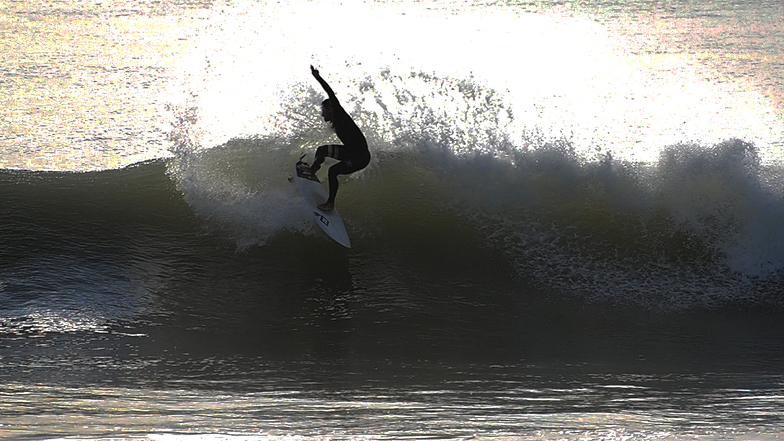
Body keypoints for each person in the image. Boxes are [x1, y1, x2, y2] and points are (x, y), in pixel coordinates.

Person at [308, 65, 371, 211]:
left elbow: (331, 94)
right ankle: (313, 169)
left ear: (330, 109)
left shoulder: (339, 115)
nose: (322, 115)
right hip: (350, 152)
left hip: (360, 158)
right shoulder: (336, 121)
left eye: (324, 111)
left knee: (333, 171)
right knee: (322, 150)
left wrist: (318, 78)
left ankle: (330, 203)